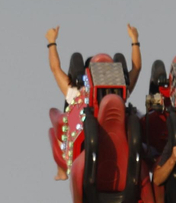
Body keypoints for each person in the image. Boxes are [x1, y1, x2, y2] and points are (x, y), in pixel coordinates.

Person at [45, 25, 143, 180]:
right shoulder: (110, 92)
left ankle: (62, 171)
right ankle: (62, 169)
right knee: (57, 118)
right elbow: (136, 69)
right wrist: (135, 41)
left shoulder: (114, 91)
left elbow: (55, 68)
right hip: (90, 140)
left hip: (110, 140)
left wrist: (51, 43)